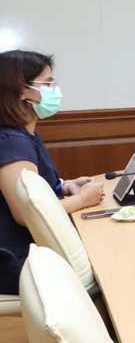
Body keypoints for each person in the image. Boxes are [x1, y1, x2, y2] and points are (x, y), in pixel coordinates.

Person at [0, 50, 104, 295]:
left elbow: (36, 187)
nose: (54, 89)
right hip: (19, 262)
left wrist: (65, 186)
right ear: (21, 91)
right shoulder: (13, 141)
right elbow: (26, 212)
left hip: (34, 251)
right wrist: (82, 200)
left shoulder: (25, 134)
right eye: (47, 83)